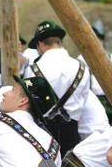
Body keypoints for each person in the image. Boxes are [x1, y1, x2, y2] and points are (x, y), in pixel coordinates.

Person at [24, 20, 90, 155]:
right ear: (59, 42)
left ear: (40, 44)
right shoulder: (82, 67)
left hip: (43, 133)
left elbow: (28, 102)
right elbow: (83, 101)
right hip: (72, 132)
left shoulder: (33, 69)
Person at [79, 27, 112, 125]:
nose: (97, 42)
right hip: (91, 101)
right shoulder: (80, 61)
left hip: (111, 101)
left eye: (99, 39)